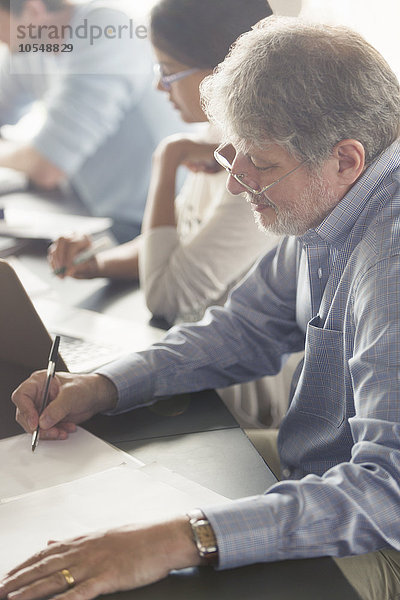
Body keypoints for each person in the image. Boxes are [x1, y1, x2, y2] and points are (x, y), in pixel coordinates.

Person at [4, 16, 400, 600]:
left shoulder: (389, 266)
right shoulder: (332, 209)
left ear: (346, 159)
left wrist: (174, 539)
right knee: (111, 495)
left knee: (132, 577)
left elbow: (386, 495)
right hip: (315, 476)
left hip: (378, 537)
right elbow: (242, 329)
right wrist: (101, 385)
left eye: (259, 163)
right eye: (232, 153)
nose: (237, 184)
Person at [48, 0, 276, 326]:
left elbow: (165, 297)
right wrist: (95, 263)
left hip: (227, 371)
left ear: (224, 70)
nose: (160, 86)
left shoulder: (257, 172)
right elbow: (176, 242)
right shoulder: (217, 132)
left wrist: (167, 158)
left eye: (168, 71)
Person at [0, 0, 184, 242]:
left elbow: (47, 166)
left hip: (147, 222)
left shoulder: (107, 32)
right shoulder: (28, 46)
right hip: (90, 209)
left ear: (33, 9)